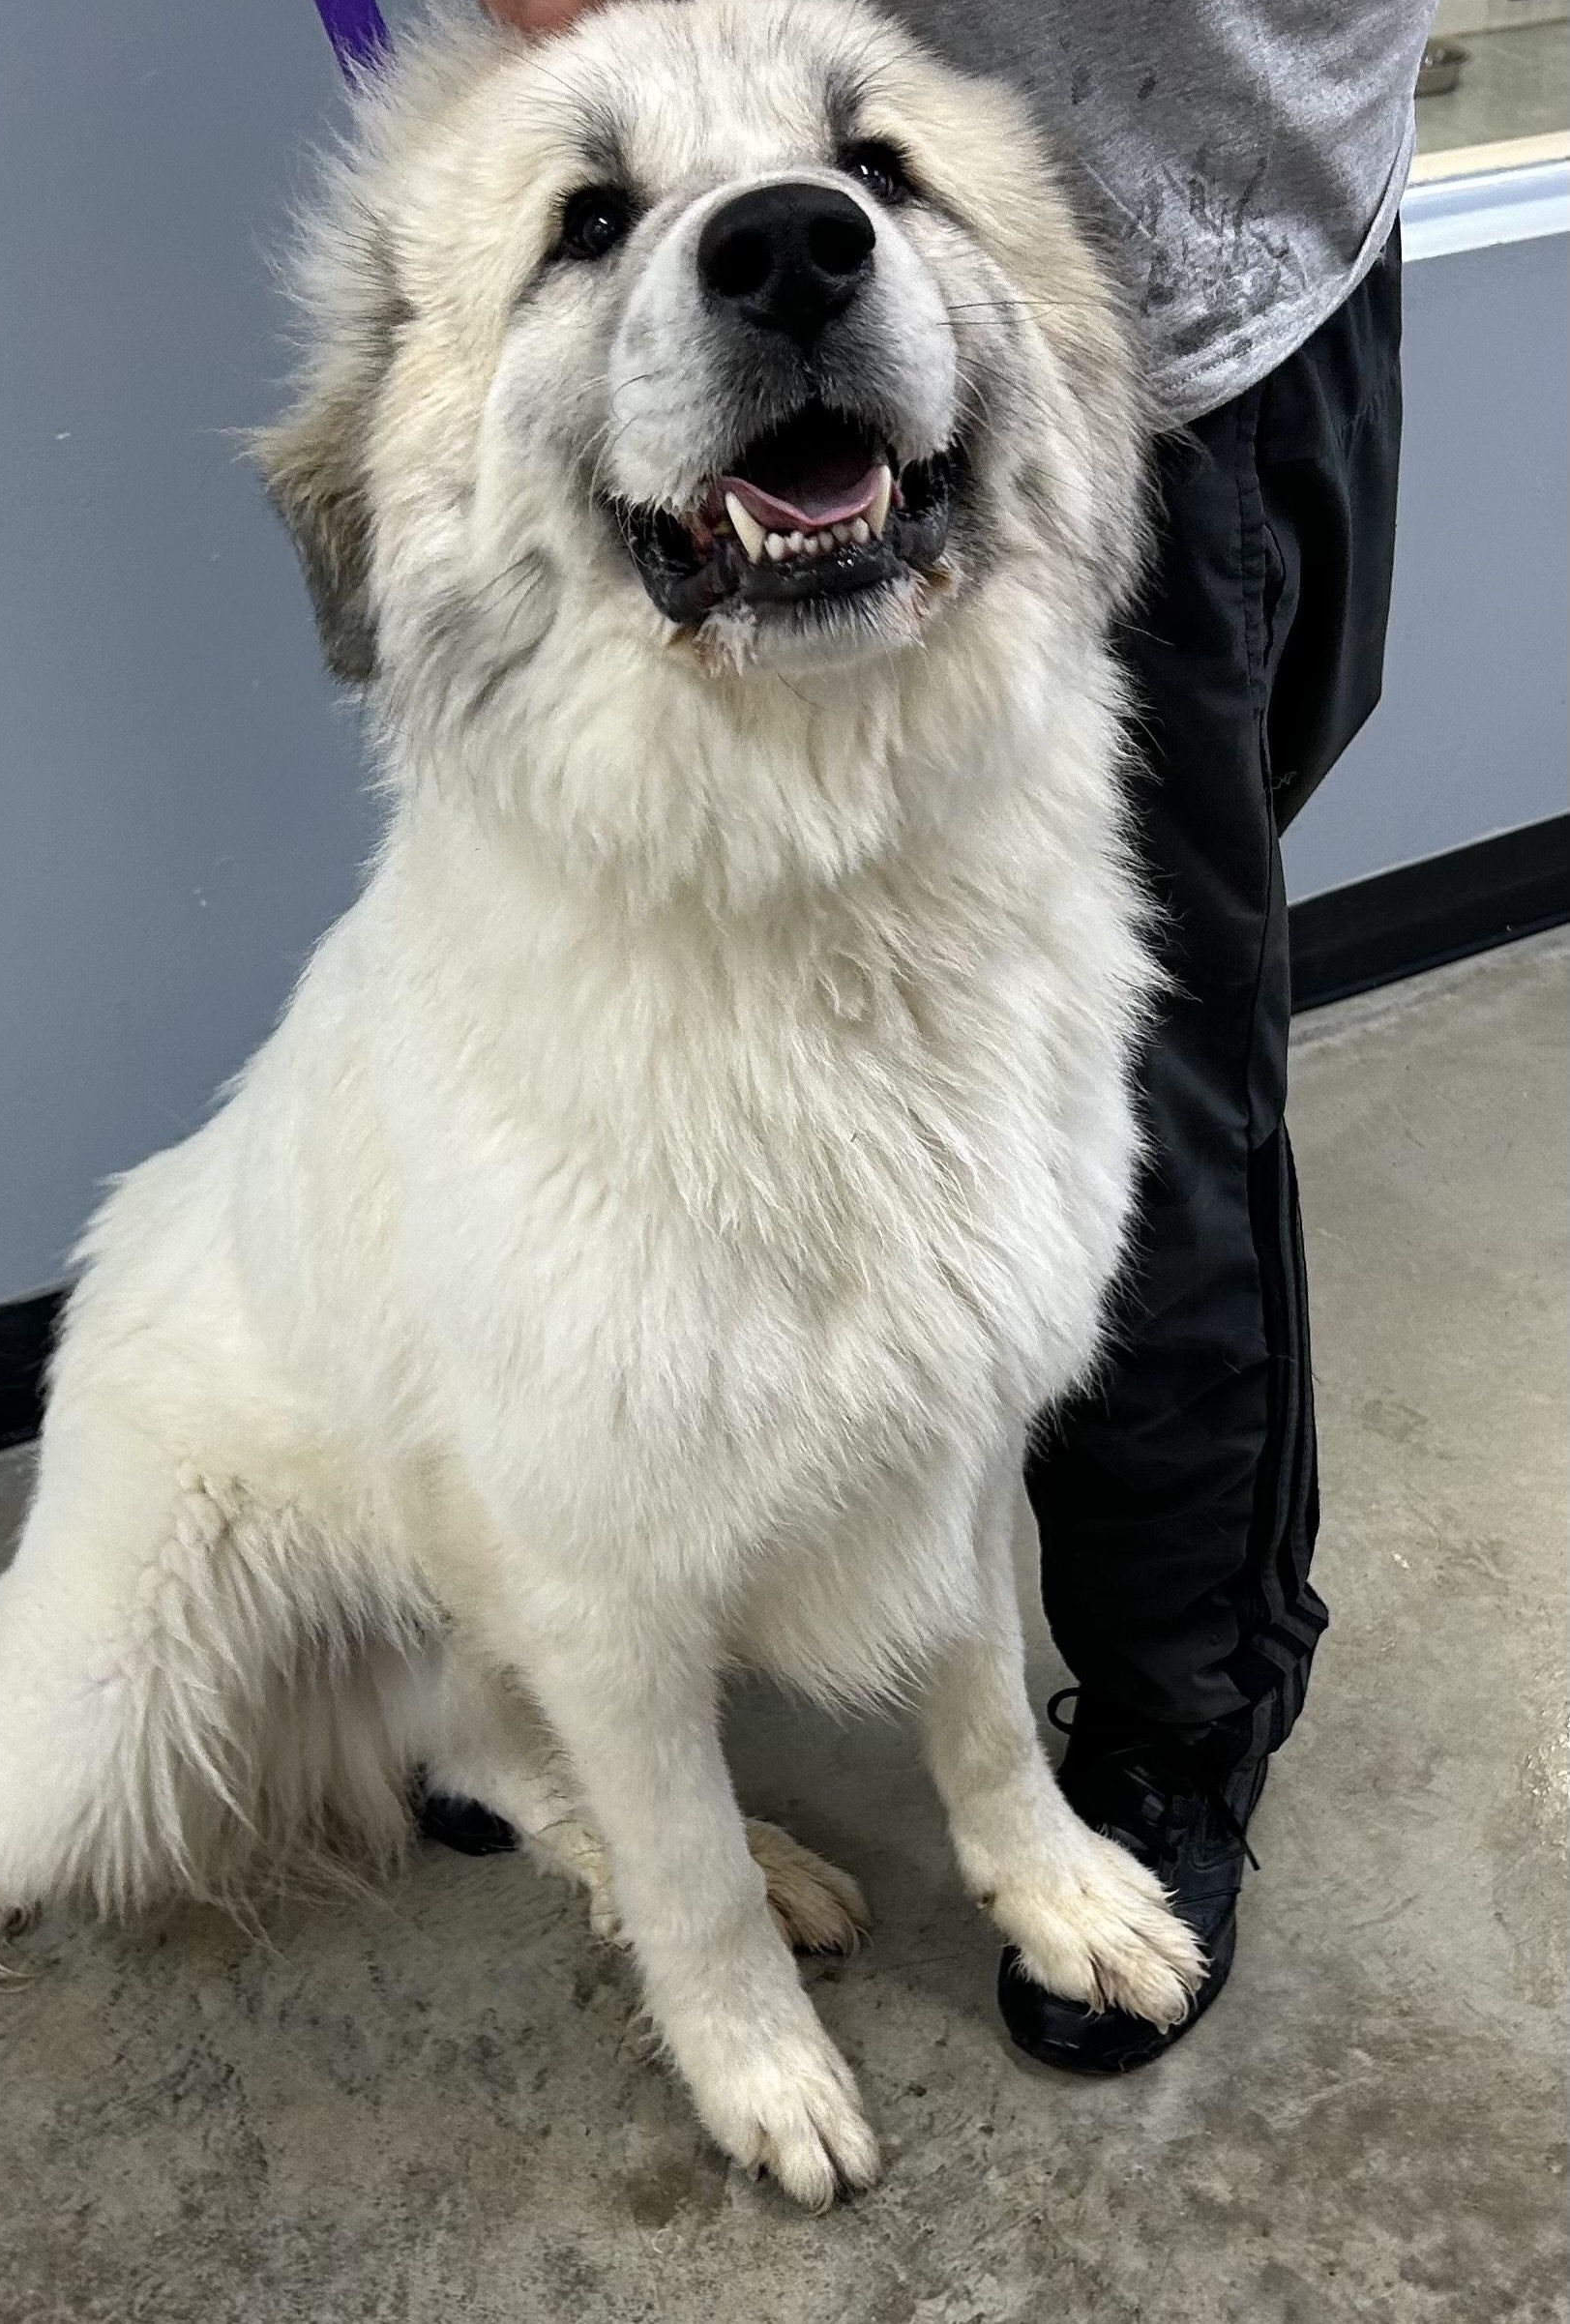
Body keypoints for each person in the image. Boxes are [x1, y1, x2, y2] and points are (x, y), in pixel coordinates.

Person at [437, 0, 1429, 2074]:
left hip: (1186, 243)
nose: (772, 230)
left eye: (852, 178)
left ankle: (1164, 1724)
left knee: (1131, 1134)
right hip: (979, 289)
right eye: (599, 214)